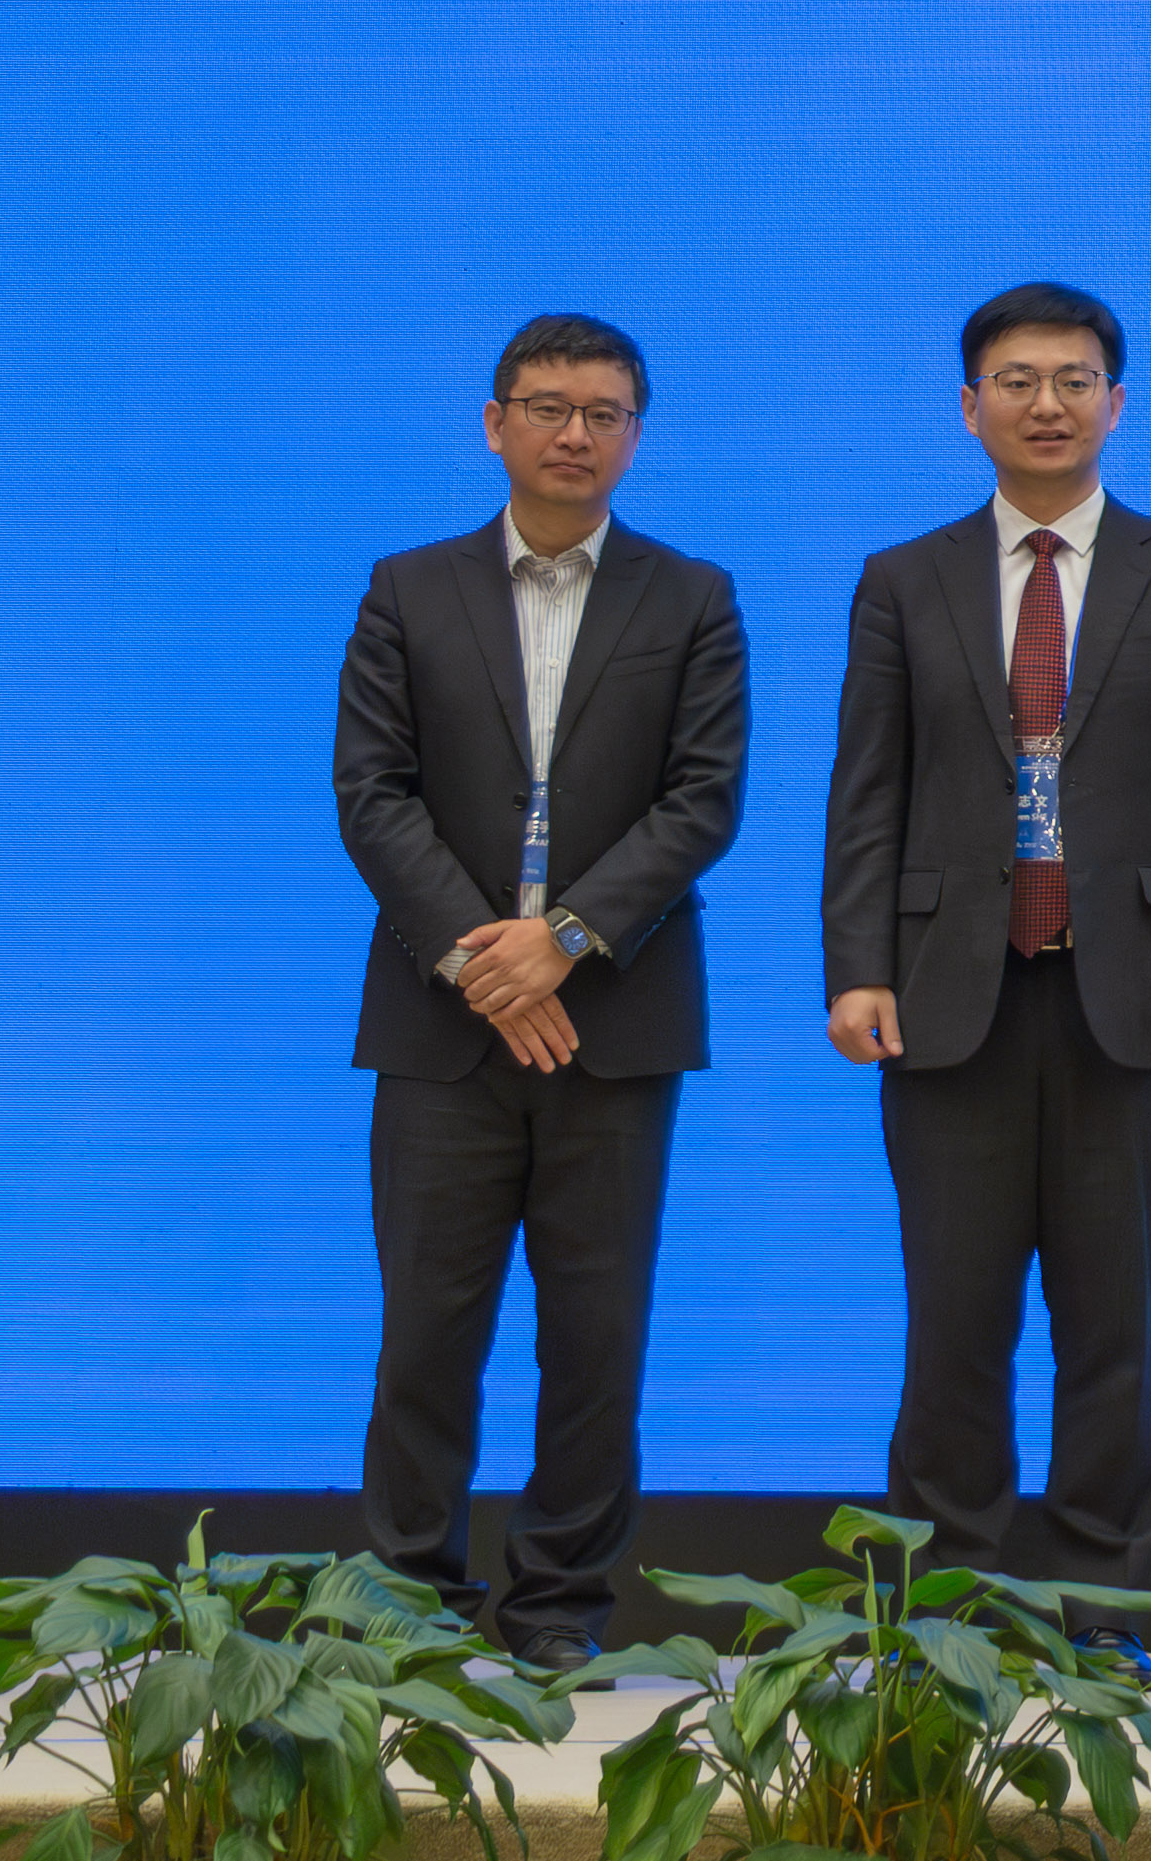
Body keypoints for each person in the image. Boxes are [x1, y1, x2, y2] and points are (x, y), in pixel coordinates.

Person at [821, 283, 1151, 1656]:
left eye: (1075, 379)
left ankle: (1095, 1609)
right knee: (952, 1324)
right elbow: (866, 793)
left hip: (1128, 1000)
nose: (1048, 404)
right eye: (1016, 380)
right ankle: (942, 1614)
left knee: (1111, 1324)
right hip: (947, 997)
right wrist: (856, 965)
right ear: (971, 407)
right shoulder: (905, 578)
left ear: (1115, 403)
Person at [332, 315, 747, 1665]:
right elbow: (372, 791)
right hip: (440, 1025)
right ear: (495, 422)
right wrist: (483, 959)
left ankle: (559, 1606)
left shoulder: (691, 597)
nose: (576, 433)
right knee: (425, 1333)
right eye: (548, 406)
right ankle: (410, 1604)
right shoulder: (408, 587)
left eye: (604, 412)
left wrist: (561, 939)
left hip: (613, 1025)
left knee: (595, 1338)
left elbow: (702, 801)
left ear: (637, 434)